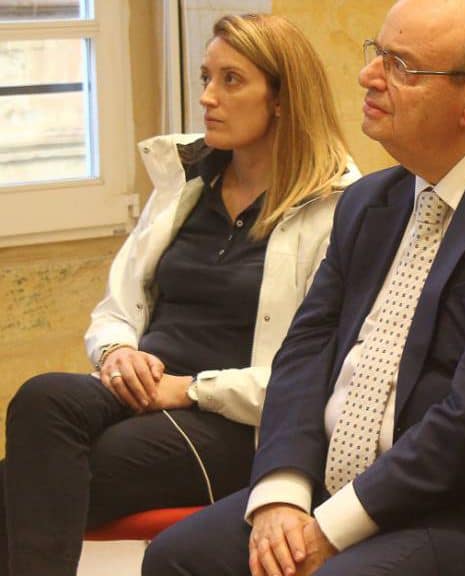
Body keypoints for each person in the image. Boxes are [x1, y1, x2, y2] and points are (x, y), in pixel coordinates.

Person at [141, 1, 465, 575]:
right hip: (339, 487)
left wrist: (331, 527)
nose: (368, 76)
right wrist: (282, 492)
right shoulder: (371, 200)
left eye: (401, 66)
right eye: (377, 53)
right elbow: (305, 353)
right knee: (177, 558)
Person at [0, 13, 360, 576]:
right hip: (142, 388)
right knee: (42, 397)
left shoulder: (340, 208)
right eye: (205, 77)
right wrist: (119, 352)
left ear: (282, 99)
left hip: (240, 422)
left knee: (34, 479)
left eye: (231, 80)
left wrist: (190, 389)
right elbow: (117, 306)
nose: (208, 97)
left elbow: (318, 374)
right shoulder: (186, 183)